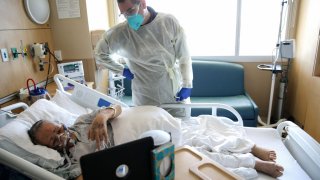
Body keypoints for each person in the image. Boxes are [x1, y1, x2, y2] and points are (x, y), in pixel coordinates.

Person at [94, 0, 193, 112]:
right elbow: (99, 54)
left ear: (143, 3)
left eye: (130, 10)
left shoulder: (168, 23)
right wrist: (121, 70)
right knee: (146, 127)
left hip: (172, 93)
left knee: (178, 127)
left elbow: (184, 56)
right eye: (124, 14)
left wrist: (187, 83)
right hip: (143, 97)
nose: (128, 16)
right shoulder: (121, 32)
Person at [27, 105, 122, 180]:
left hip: (127, 134)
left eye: (58, 130)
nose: (60, 136)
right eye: (54, 140)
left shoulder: (82, 122)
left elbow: (118, 107)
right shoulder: (71, 162)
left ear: (60, 123)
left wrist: (103, 116)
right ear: (50, 148)